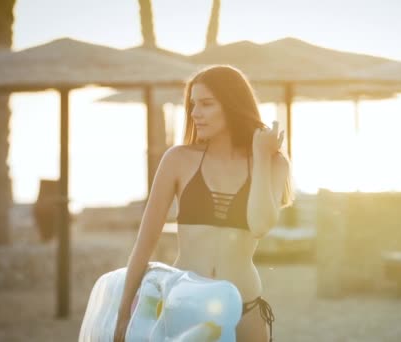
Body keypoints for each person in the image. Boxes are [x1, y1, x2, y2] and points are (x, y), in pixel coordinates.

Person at [113, 65, 294, 342]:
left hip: (246, 310)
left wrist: (259, 155)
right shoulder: (178, 160)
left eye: (206, 104)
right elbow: (144, 244)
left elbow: (259, 225)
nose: (195, 113)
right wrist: (124, 315)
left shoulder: (273, 162)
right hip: (186, 309)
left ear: (233, 105)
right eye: (193, 105)